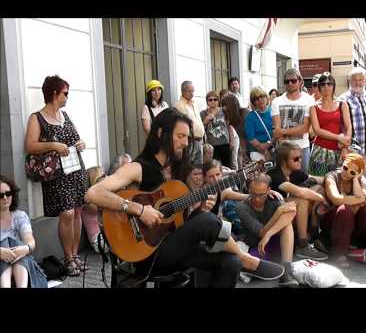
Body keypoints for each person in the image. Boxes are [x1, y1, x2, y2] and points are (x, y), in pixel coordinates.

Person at [85, 108, 284, 287]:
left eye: (187, 137)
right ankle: (247, 258)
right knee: (208, 223)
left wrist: (199, 208)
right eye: (180, 136)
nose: (186, 143)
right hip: (147, 253)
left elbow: (180, 221)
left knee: (230, 262)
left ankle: (241, 259)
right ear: (162, 134)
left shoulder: (179, 171)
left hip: (175, 246)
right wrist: (139, 209)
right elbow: (93, 193)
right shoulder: (139, 167)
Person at [24, 75, 89, 277]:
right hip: (58, 175)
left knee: (78, 211)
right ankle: (68, 257)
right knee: (67, 213)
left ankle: (75, 255)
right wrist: (53, 145)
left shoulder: (65, 116)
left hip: (75, 170)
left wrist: (82, 144)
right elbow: (30, 145)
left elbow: (78, 139)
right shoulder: (37, 117)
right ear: (54, 93)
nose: (67, 97)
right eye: (65, 93)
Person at [322, 153, 366, 269]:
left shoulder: (359, 179)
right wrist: (358, 201)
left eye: (352, 172)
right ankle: (340, 253)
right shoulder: (332, 176)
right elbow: (336, 199)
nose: (347, 173)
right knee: (344, 210)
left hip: (353, 224)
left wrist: (356, 180)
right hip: (333, 222)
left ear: (358, 173)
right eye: (345, 168)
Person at [268, 141, 328, 261]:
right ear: (284, 162)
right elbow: (300, 193)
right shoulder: (275, 175)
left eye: (300, 157)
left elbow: (317, 179)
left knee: (318, 188)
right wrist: (323, 199)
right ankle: (303, 244)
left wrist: (334, 177)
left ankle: (313, 231)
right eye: (296, 159)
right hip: (273, 218)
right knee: (303, 200)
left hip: (290, 214)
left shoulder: (295, 172)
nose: (300, 160)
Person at [236, 174, 299, 287]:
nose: (257, 199)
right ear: (249, 190)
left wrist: (269, 234)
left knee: (287, 225)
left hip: (277, 242)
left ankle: (286, 273)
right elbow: (261, 232)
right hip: (258, 246)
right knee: (245, 264)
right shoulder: (242, 207)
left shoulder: (273, 198)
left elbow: (291, 211)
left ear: (269, 190)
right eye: (253, 193)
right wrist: (278, 213)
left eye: (261, 194)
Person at [1, 175, 47, 288]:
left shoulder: (20, 216)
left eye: (8, 193)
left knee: (18, 248)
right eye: (0, 195)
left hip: (21, 261)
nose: (5, 198)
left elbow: (30, 241)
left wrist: (24, 249)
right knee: (5, 243)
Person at [271, 68, 315, 172]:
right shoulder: (276, 101)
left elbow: (305, 128)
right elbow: (277, 131)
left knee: (303, 181)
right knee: (283, 183)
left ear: (300, 82)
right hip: (283, 149)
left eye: (293, 81)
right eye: (287, 81)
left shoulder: (309, 100)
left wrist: (283, 131)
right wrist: (285, 148)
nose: (290, 83)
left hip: (303, 147)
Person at [338, 67, 366, 183]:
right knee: (352, 181)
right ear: (349, 81)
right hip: (353, 149)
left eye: (361, 79)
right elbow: (340, 126)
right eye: (355, 79)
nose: (358, 82)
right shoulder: (343, 99)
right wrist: (344, 147)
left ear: (365, 81)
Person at [309, 72, 352, 177]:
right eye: (323, 84)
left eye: (329, 84)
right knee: (319, 185)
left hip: (339, 151)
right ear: (319, 87)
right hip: (320, 151)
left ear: (333, 86)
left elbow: (349, 127)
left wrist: (345, 147)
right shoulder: (314, 107)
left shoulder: (342, 104)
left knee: (339, 184)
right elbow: (317, 130)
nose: (326, 86)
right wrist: (338, 137)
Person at [174, 81, 205, 166]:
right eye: (189, 91)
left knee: (198, 168)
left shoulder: (194, 104)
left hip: (199, 140)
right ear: (183, 91)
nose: (192, 93)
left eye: (193, 91)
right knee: (188, 167)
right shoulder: (179, 105)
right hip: (189, 141)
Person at [81, 166, 108, 254]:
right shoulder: (88, 202)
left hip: (107, 236)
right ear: (94, 180)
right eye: (103, 175)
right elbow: (105, 209)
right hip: (98, 240)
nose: (107, 177)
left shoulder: (100, 196)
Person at [200, 91, 231, 167]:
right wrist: (206, 119)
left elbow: (229, 126)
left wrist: (232, 141)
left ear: (218, 100)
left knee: (227, 166)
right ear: (207, 102)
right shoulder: (203, 113)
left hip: (225, 143)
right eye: (210, 100)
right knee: (214, 166)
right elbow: (201, 129)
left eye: (215, 99)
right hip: (212, 145)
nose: (213, 101)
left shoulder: (224, 111)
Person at [244, 87, 274, 162]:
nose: (260, 100)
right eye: (256, 98)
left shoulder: (274, 111)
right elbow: (251, 138)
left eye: (262, 96)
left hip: (274, 148)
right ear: (253, 102)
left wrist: (269, 144)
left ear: (266, 97)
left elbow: (278, 130)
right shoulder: (250, 117)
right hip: (257, 152)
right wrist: (264, 150)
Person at [222, 93, 248, 170]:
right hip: (246, 148)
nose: (224, 108)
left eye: (226, 105)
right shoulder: (232, 118)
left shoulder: (245, 114)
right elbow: (241, 136)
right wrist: (243, 151)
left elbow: (248, 134)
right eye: (223, 105)